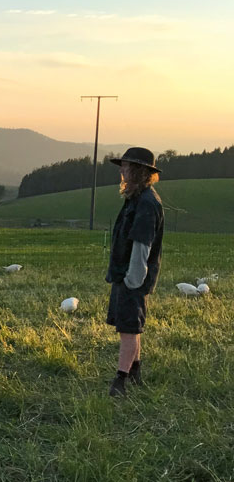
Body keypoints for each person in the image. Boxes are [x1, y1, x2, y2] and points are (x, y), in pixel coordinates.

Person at [105, 147, 164, 397]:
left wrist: (133, 279)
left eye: (126, 166)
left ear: (139, 172)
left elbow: (142, 245)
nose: (122, 170)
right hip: (126, 275)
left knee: (128, 328)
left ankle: (120, 381)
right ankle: (135, 370)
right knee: (130, 325)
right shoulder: (137, 198)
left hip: (132, 277)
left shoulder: (147, 204)